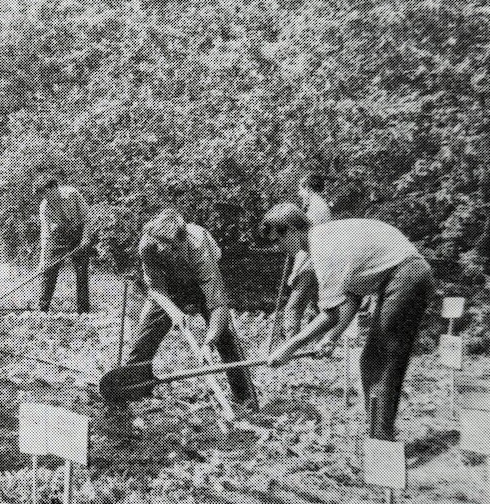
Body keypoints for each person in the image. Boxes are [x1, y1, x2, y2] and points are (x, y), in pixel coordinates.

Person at [264, 203, 434, 441]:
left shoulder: (321, 247)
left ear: (292, 230)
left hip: (407, 276)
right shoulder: (323, 238)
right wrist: (332, 337)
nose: (278, 248)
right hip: (405, 275)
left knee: (380, 362)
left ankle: (381, 444)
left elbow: (331, 315)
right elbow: (351, 298)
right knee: (371, 361)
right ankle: (378, 435)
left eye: (277, 240)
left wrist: (288, 348)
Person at [126, 208, 258, 409]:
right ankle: (134, 387)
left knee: (224, 335)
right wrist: (173, 311)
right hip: (171, 283)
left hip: (200, 280)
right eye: (161, 249)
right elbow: (156, 288)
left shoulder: (199, 246)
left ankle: (245, 398)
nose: (165, 253)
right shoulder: (148, 245)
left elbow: (218, 304)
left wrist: (208, 343)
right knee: (147, 332)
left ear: (182, 240)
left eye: (171, 249)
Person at [282, 172, 334, 335]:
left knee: (292, 309)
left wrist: (295, 272)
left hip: (311, 266)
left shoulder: (314, 211)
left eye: (301, 189)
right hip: (320, 265)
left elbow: (307, 245)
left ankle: (290, 347)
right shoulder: (320, 207)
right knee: (317, 310)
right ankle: (320, 346)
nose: (299, 194)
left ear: (308, 189)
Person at [37, 178, 92, 313]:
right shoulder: (44, 207)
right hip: (60, 233)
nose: (45, 197)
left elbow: (87, 217)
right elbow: (46, 234)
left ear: (54, 187)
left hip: (79, 231)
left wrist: (85, 238)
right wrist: (43, 260)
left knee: (81, 271)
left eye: (46, 193)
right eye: (42, 195)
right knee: (48, 269)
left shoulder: (72, 193)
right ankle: (42, 309)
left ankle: (83, 312)